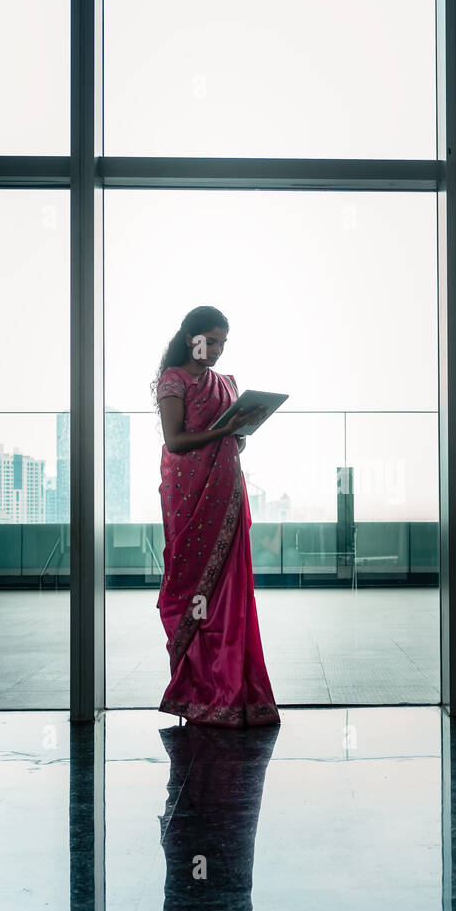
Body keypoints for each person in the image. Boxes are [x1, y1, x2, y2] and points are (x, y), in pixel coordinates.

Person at [153, 305, 280, 726]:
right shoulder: (174, 380)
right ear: (191, 338)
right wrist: (226, 432)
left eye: (224, 342)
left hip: (226, 490)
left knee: (230, 593)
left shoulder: (227, 383)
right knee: (192, 588)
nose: (218, 350)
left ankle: (232, 693)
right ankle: (199, 691)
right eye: (211, 340)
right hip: (188, 495)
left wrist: (240, 431)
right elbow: (175, 441)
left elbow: (234, 444)